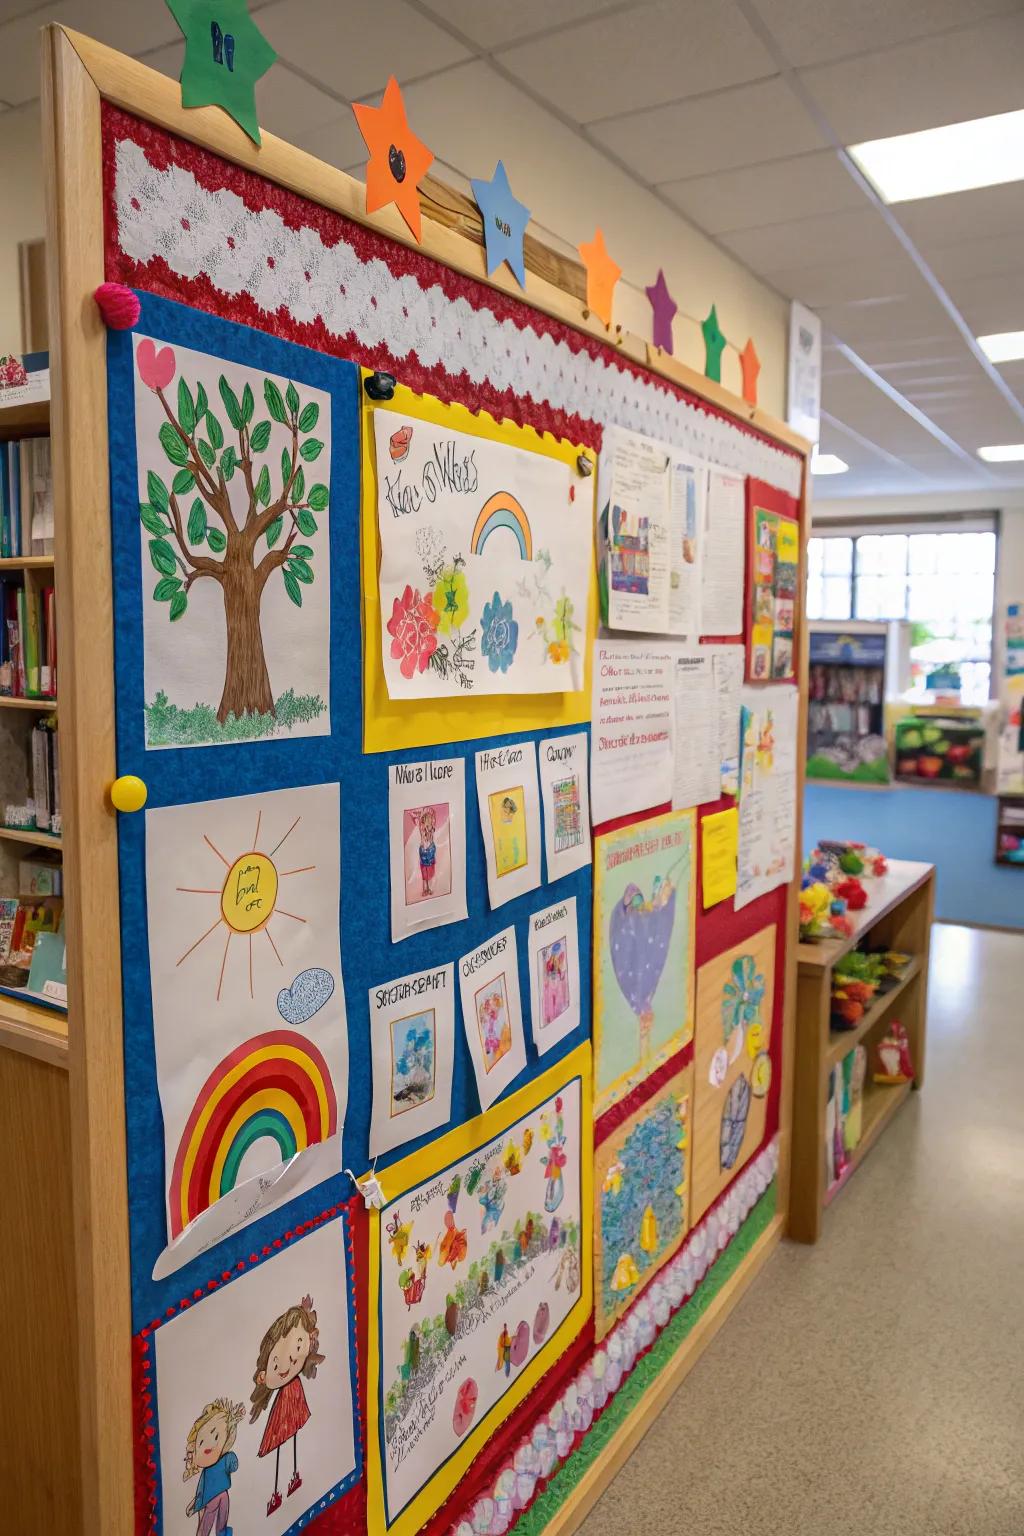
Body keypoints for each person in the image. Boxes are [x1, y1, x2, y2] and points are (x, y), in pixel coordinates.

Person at [249, 1296, 324, 1517]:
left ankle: (294, 1476)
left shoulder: (296, 1380)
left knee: (292, 1437)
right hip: (285, 1402)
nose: (290, 1359)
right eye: (275, 1363)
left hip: (294, 1396)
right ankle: (275, 1492)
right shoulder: (278, 1387)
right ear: (263, 1375)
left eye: (299, 1345)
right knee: (281, 1440)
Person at [183, 1398, 243, 1536]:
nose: (209, 1445)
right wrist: (194, 1504)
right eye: (202, 1442)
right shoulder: (206, 1471)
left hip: (223, 1496)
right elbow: (201, 1490)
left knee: (222, 1521)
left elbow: (233, 1466)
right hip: (210, 1500)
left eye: (216, 1437)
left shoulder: (225, 1458)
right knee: (206, 1523)